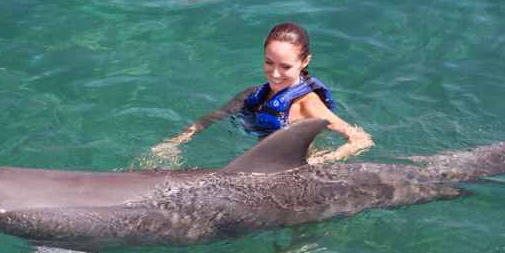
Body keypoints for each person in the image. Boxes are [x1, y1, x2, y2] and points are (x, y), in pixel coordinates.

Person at [148, 22, 372, 167]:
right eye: (268, 62)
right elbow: (215, 115)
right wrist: (175, 142)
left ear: (305, 63)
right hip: (264, 160)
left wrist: (319, 161)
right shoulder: (253, 94)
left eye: (285, 67)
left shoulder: (308, 105)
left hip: (295, 169)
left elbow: (361, 139)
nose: (275, 74)